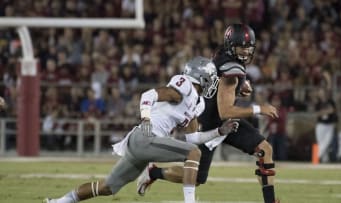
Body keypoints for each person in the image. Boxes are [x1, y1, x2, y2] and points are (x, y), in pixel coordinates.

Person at [43, 56, 239, 203]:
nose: (213, 82)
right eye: (211, 77)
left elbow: (193, 138)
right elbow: (149, 94)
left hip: (146, 146)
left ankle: (61, 201)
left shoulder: (197, 104)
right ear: (200, 75)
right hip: (144, 138)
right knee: (194, 154)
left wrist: (219, 132)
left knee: (107, 187)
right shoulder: (185, 86)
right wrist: (145, 117)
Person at [137, 23, 280, 203]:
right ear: (231, 46)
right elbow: (226, 110)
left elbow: (218, 82)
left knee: (264, 149)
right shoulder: (232, 70)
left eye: (248, 48)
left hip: (224, 122)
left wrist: (238, 88)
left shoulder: (221, 56)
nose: (245, 52)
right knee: (196, 178)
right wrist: (260, 109)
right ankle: (153, 172)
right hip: (207, 125)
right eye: (241, 47)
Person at [315, 88, 338, 163]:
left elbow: (333, 110)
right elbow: (317, 114)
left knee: (327, 142)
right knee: (321, 142)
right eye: (320, 93)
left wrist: (323, 112)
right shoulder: (318, 103)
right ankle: (325, 160)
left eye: (323, 92)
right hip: (320, 125)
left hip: (329, 124)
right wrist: (327, 111)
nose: (322, 94)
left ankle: (316, 156)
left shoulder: (330, 102)